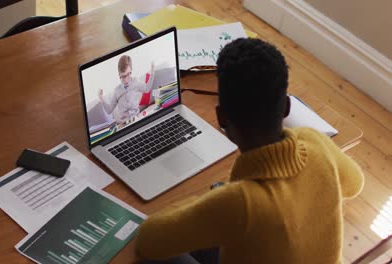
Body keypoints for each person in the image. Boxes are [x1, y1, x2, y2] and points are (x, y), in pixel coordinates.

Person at [134, 38, 364, 263]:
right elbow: (355, 184)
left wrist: (209, 202)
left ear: (221, 117)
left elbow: (148, 240)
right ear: (286, 106)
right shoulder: (315, 141)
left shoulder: (238, 203)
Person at [98, 55, 155, 125]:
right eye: (123, 76)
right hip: (124, 123)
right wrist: (101, 99)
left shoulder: (136, 82)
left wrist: (152, 73)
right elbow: (109, 110)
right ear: (119, 75)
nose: (126, 79)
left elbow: (147, 89)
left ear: (131, 70)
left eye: (129, 74)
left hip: (137, 119)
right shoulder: (117, 91)